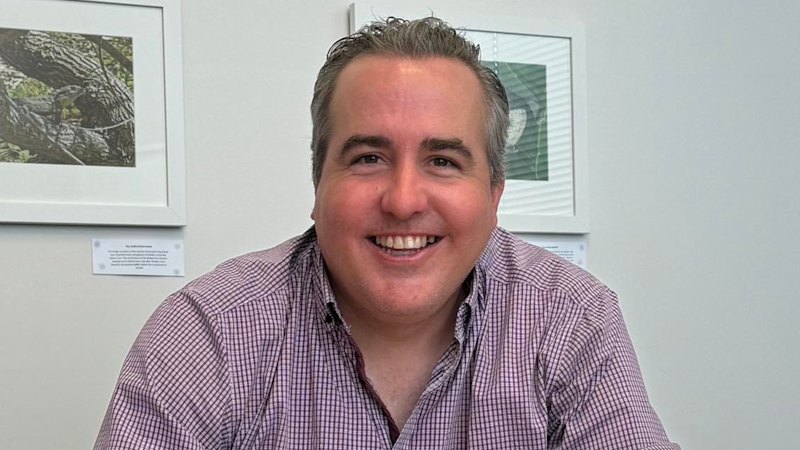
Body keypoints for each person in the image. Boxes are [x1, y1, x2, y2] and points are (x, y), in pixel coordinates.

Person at [94, 17, 679, 449]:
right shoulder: (208, 333)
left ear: (494, 195)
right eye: (368, 158)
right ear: (318, 184)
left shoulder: (570, 320)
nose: (402, 201)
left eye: (443, 161)